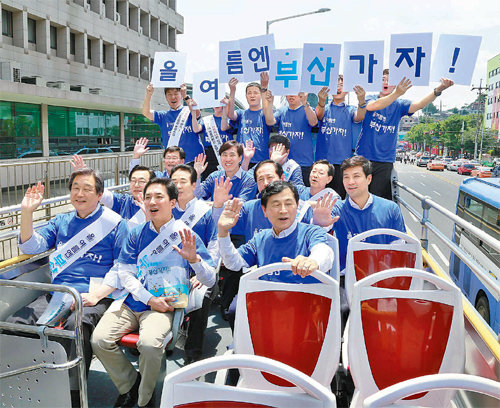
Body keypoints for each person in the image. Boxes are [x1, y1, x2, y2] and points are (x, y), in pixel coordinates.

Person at [90, 178, 216, 408]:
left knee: (149, 345)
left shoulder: (186, 235)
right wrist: (149, 298)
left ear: (173, 202)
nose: (152, 201)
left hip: (166, 306)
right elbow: (125, 273)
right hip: (133, 302)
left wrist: (194, 260)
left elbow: (210, 279)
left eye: (159, 197)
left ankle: (143, 400)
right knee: (99, 340)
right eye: (148, 197)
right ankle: (130, 384)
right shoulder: (136, 233)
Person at [7, 169, 129, 406]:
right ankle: (28, 385)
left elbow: (122, 268)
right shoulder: (61, 221)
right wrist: (27, 212)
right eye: (75, 188)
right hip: (59, 294)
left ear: (100, 194)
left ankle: (73, 396)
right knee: (14, 324)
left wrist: (95, 296)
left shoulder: (115, 225)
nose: (80, 194)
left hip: (94, 295)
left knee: (76, 327)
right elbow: (32, 246)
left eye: (87, 189)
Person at [356, 71, 454, 199]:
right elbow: (373, 107)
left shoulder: (400, 104)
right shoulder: (370, 98)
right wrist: (396, 93)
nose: (385, 82)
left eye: (389, 81)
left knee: (377, 198)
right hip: (363, 157)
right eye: (383, 79)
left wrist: (439, 89)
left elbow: (420, 105)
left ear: (395, 84)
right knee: (359, 196)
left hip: (384, 161)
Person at [170, 164, 219, 364]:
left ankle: (193, 351)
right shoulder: (165, 210)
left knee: (201, 296)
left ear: (194, 184)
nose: (179, 186)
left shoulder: (205, 212)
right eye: (174, 182)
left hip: (197, 270)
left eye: (183, 182)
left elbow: (214, 248)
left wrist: (200, 271)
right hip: (168, 271)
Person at [332, 155, 406, 273]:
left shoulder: (391, 209)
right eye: (346, 177)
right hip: (345, 277)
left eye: (356, 176)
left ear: (369, 179)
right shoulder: (336, 209)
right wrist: (319, 220)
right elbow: (323, 227)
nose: (350, 182)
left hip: (381, 277)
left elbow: (399, 248)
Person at [315, 75, 367, 198]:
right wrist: (321, 101)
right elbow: (318, 115)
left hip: (342, 164)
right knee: (320, 199)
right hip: (323, 164)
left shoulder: (350, 110)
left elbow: (359, 116)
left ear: (347, 90)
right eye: (335, 85)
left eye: (341, 85)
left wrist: (361, 101)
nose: (338, 88)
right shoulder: (324, 108)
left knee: (338, 199)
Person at [71, 154, 154, 228]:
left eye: (141, 181)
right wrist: (85, 178)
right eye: (133, 180)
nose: (136, 185)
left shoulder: (159, 206)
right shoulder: (123, 201)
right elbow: (102, 194)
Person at [262, 90, 318, 184]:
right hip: (283, 162)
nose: (291, 95)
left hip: (303, 163)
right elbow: (270, 121)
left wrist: (305, 104)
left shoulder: (308, 109)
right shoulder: (282, 111)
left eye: (295, 92)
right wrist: (270, 102)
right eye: (288, 92)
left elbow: (313, 122)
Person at [142, 83, 204, 163]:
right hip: (173, 163)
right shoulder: (163, 116)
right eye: (169, 94)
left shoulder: (188, 111)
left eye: (176, 94)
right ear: (166, 97)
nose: (173, 97)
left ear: (181, 95)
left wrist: (186, 96)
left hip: (194, 161)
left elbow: (196, 113)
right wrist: (148, 95)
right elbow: (146, 113)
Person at [223, 74, 272, 166]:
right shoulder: (242, 113)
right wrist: (232, 90)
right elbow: (230, 114)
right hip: (242, 160)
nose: (252, 96)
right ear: (246, 96)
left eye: (255, 93)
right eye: (249, 93)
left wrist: (265, 87)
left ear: (261, 95)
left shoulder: (266, 113)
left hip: (262, 160)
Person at [198, 98, 235, 178]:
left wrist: (225, 107)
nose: (216, 105)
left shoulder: (230, 120)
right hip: (209, 154)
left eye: (219, 102)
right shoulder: (206, 120)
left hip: (226, 153)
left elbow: (225, 128)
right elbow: (197, 129)